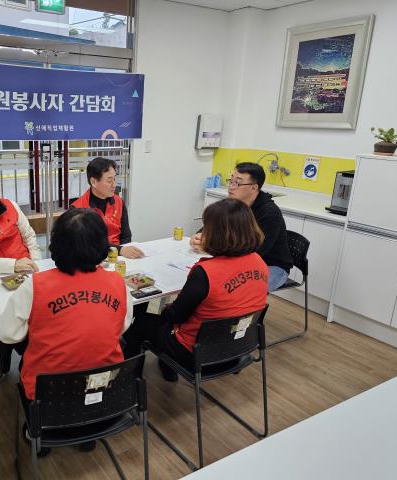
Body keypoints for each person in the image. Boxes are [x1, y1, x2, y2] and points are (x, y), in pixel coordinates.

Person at [0, 208, 133, 453]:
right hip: (105, 394)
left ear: (56, 244)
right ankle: (86, 429)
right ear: (102, 244)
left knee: (30, 350)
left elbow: (7, 333)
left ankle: (41, 433)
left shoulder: (35, 285)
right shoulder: (117, 282)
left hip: (48, 399)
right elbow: (122, 326)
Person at [124, 198, 268, 381]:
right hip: (239, 348)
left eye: (206, 228)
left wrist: (162, 307)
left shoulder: (206, 273)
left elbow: (176, 316)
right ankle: (166, 368)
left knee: (141, 317)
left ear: (217, 233)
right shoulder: (259, 262)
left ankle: (129, 382)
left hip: (196, 355)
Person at [190, 162, 293, 291]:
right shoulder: (232, 205)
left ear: (254, 188)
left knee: (235, 290)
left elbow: (256, 252)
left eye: (237, 183)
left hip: (271, 264)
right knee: (206, 280)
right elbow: (211, 227)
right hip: (236, 258)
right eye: (231, 181)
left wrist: (212, 247)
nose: (231, 187)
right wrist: (199, 237)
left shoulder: (269, 213)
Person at [71, 157, 144, 259]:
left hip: (120, 257)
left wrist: (124, 254)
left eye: (114, 179)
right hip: (93, 258)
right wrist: (120, 250)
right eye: (109, 180)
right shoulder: (78, 209)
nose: (114, 185)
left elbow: (126, 235)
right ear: (93, 182)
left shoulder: (119, 202)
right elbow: (87, 244)